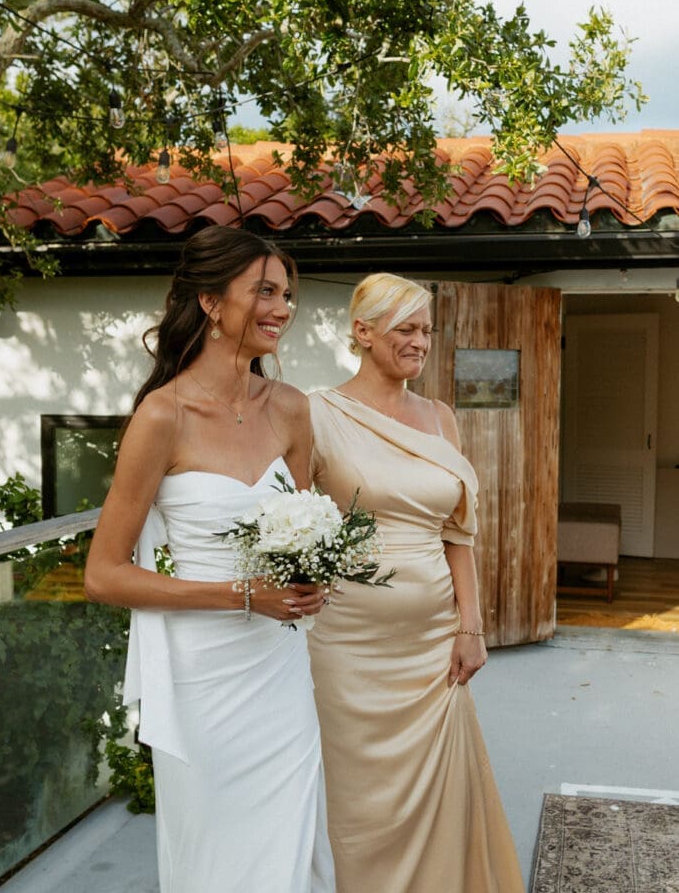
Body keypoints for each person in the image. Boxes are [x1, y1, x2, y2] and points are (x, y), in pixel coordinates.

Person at [84, 226, 335, 893]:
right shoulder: (161, 417)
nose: (281, 307)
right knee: (217, 860)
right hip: (203, 682)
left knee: (290, 850)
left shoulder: (290, 409)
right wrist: (241, 596)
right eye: (264, 291)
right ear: (211, 302)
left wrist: (313, 583)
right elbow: (103, 574)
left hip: (278, 674)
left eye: (287, 294)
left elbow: (303, 539)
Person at [307, 272, 524, 893]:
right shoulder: (318, 413)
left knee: (441, 793)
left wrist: (470, 626)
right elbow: (291, 521)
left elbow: (459, 534)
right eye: (406, 328)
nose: (420, 342)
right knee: (359, 796)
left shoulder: (440, 418)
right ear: (363, 331)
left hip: (433, 646)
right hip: (346, 644)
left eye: (426, 330)